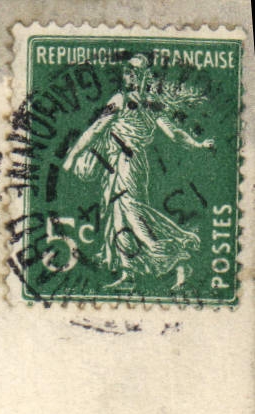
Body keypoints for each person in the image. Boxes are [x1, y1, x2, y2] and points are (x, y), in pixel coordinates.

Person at [61, 54, 216, 288]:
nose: (129, 76)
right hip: (117, 163)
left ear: (144, 76)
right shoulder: (125, 100)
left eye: (134, 72)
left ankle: (176, 253)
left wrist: (198, 144)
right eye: (127, 72)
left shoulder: (144, 104)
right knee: (118, 214)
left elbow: (174, 133)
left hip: (129, 164)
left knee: (130, 211)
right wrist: (73, 154)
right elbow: (97, 128)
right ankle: (129, 273)